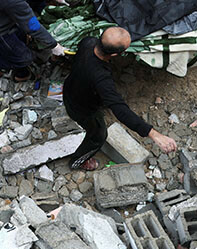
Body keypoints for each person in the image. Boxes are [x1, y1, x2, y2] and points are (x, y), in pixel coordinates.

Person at [64, 28, 177, 171]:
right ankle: (78, 161)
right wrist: (154, 134)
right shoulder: (101, 79)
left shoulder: (88, 43)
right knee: (98, 135)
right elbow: (120, 109)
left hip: (70, 88)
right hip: (82, 108)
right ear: (116, 54)